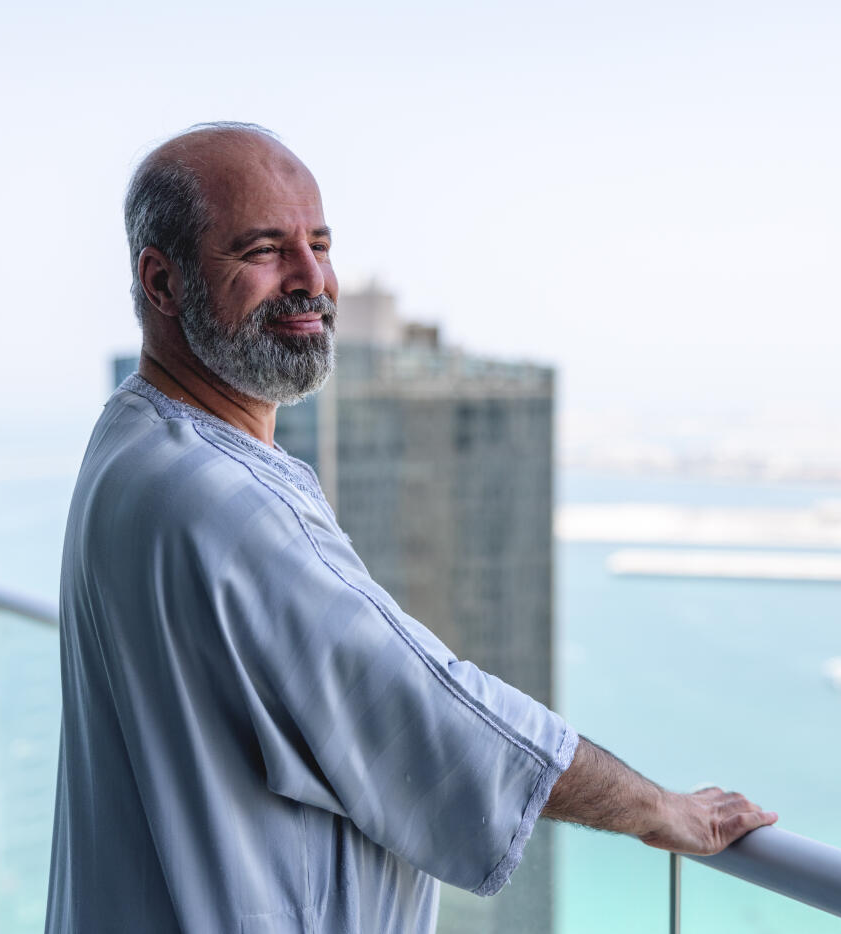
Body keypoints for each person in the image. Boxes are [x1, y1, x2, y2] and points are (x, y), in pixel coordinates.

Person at [45, 122, 776, 934]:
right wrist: (657, 810)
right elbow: (436, 719)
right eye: (263, 250)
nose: (311, 278)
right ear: (162, 281)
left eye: (319, 243)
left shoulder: (129, 441)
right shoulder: (229, 503)